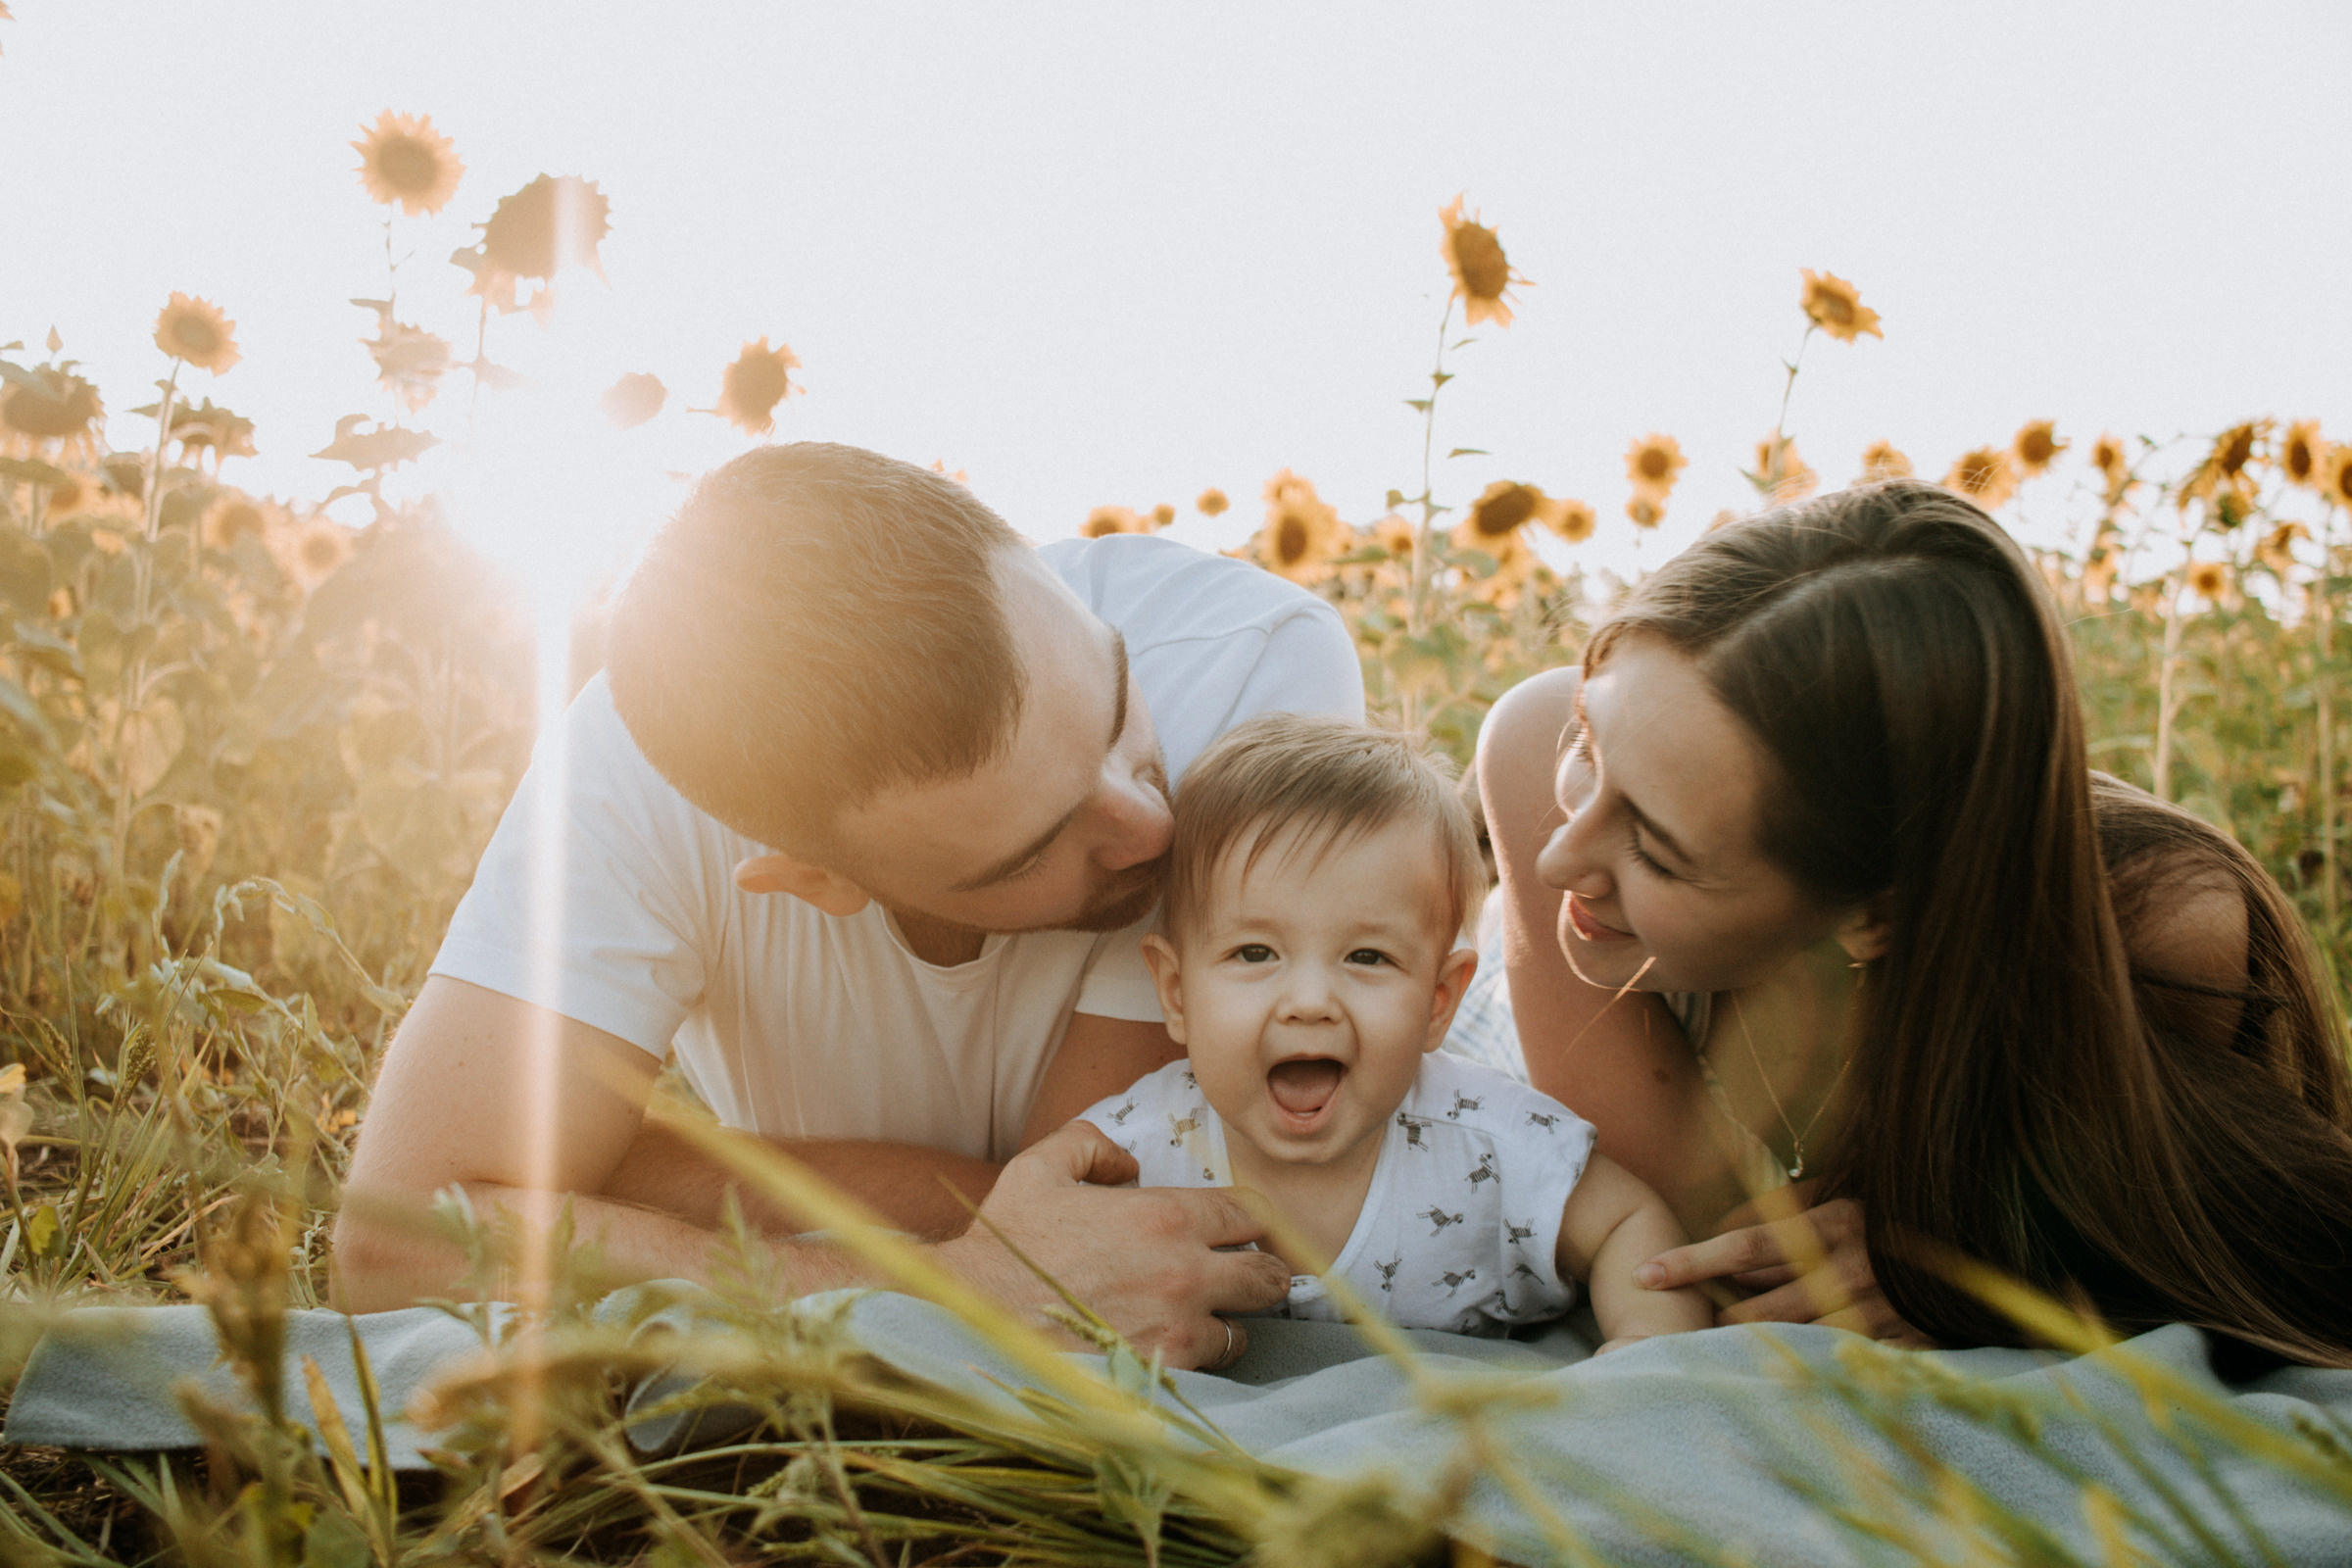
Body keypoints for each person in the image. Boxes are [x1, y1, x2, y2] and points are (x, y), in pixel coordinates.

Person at [333, 444, 1363, 1370]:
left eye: (1116, 700)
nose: (1154, 824)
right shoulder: (629, 788)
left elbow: (1110, 1206)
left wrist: (614, 1184)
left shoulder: (1249, 663)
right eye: (1035, 847)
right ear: (813, 881)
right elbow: (396, 1243)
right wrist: (947, 1289)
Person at [1477, 478, 2352, 1365]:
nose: (1557, 861)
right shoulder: (1534, 738)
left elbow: (2191, 1212)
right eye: (1588, 745)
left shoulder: (2159, 922)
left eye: (1658, 852)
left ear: (1876, 917)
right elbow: (1701, 1249)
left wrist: (1969, 1261)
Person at [1080, 714, 1712, 1351]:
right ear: (1177, 993)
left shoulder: (1490, 1144)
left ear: (1438, 1002)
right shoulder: (1131, 1153)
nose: (1309, 1003)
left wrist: (1643, 1346)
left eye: (1367, 957)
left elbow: (1629, 1224)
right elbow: (1043, 1256)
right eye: (1254, 953)